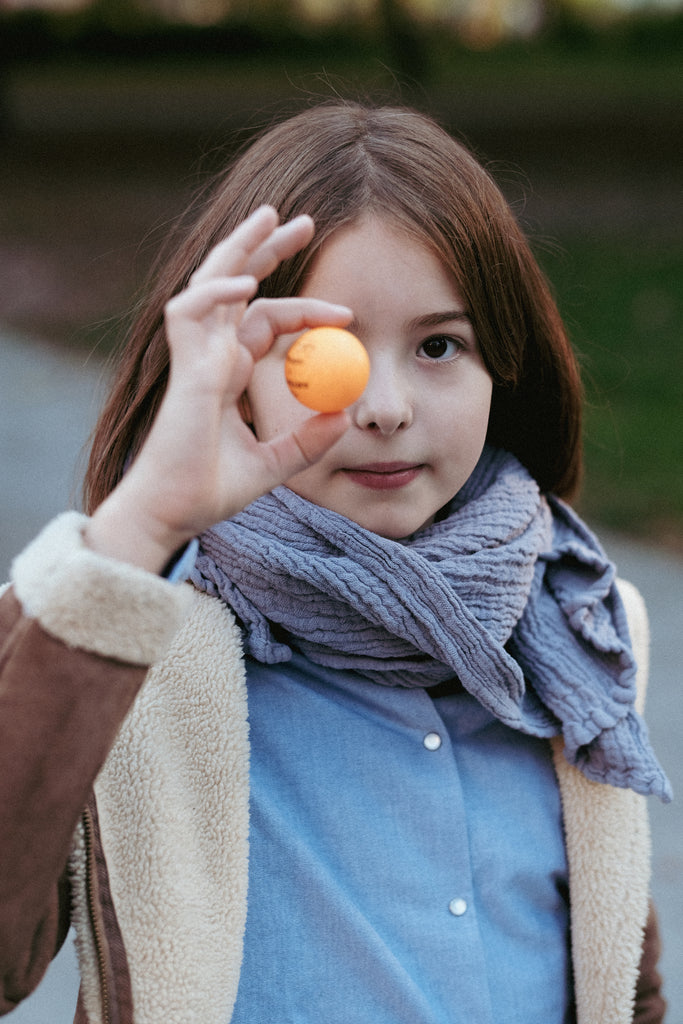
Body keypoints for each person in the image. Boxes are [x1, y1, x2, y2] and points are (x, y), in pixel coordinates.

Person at [0, 102, 671, 1024]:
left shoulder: (578, 628)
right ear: (229, 374)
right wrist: (145, 519)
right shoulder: (122, 647)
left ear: (502, 369)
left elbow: (616, 977)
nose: (385, 405)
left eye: (440, 345)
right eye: (328, 354)